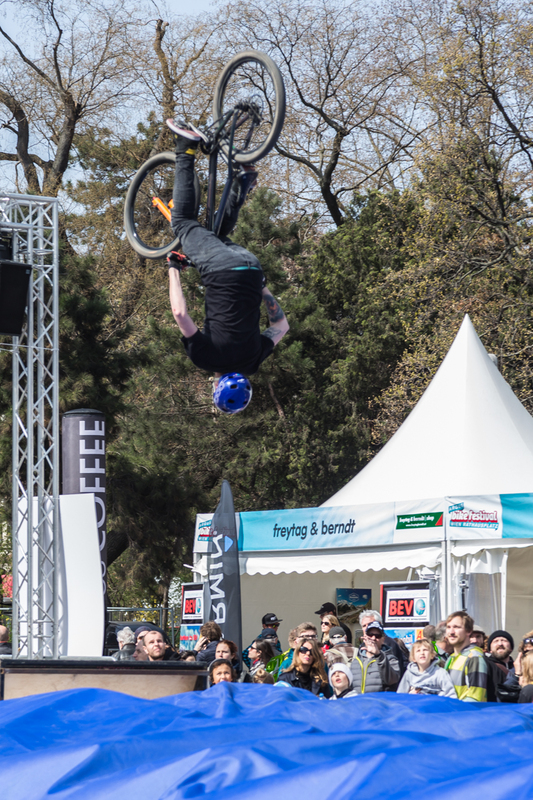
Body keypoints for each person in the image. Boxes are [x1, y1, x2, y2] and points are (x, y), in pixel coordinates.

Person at [166, 120, 290, 414]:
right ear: (215, 386)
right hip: (220, 269)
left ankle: (244, 179)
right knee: (183, 223)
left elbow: (281, 326)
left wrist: (261, 286)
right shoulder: (207, 359)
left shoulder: (253, 362)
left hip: (251, 268)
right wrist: (172, 267)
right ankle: (186, 147)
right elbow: (180, 313)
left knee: (217, 233)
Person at [444, 611, 488, 702]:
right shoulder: (451, 657)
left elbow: (476, 698)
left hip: (464, 714)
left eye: (456, 627)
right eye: (448, 627)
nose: (451, 632)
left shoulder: (474, 657)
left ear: (468, 631)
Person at [350, 620, 400, 694]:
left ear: (383, 639)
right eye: (370, 634)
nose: (373, 638)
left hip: (378, 704)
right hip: (358, 703)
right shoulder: (356, 660)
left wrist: (378, 655)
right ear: (365, 637)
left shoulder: (390, 659)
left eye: (378, 636)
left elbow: (392, 680)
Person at [359, 610, 407, 676]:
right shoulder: (361, 647)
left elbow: (394, 673)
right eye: (364, 625)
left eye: (370, 624)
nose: (367, 628)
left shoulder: (389, 644)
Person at [484, 630, 517, 703]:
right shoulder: (485, 664)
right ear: (490, 650)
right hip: (492, 710)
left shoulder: (518, 667)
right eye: (495, 641)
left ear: (511, 648)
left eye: (504, 640)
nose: (500, 644)